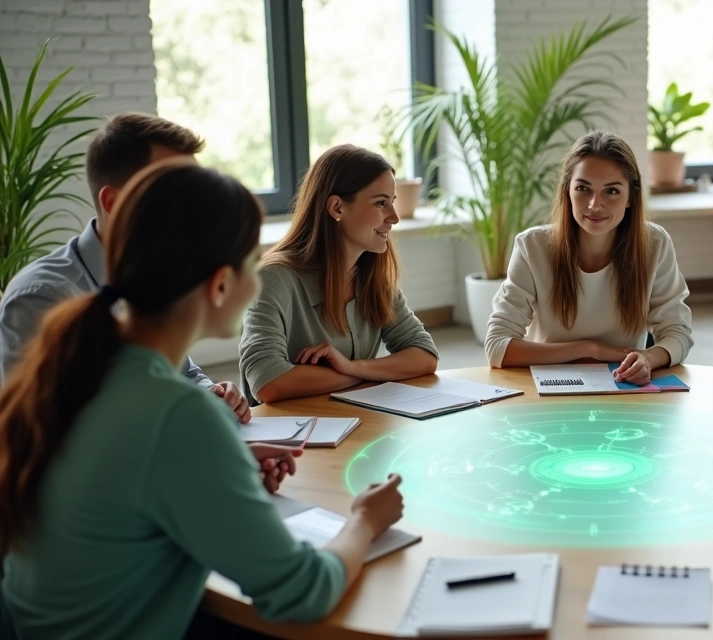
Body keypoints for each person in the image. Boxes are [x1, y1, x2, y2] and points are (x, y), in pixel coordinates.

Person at [0, 160, 406, 640]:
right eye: (250, 264)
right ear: (219, 285)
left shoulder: (83, 368)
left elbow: (130, 478)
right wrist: (364, 521)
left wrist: (223, 465)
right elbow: (302, 591)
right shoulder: (179, 412)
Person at [0, 112, 250, 423]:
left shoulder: (158, 273)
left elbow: (183, 375)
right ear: (114, 204)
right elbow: (43, 432)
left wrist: (211, 394)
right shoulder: (41, 298)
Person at [484, 131, 693, 385]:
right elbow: (497, 346)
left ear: (630, 197)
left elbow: (678, 333)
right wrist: (590, 349)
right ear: (567, 191)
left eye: (611, 191)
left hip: (623, 385)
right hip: (549, 387)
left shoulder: (654, 244)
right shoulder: (532, 246)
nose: (595, 204)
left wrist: (648, 358)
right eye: (583, 188)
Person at [240, 144, 439, 405]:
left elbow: (424, 356)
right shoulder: (272, 278)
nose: (394, 217)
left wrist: (353, 367)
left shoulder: (373, 275)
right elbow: (268, 383)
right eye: (381, 203)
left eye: (392, 202)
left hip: (358, 421)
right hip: (293, 430)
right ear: (336, 208)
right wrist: (367, 375)